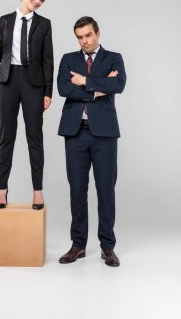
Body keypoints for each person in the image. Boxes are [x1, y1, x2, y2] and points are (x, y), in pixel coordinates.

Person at [57, 16, 126, 266]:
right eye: (80, 37)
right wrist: (100, 88)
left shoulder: (113, 58)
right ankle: (78, 245)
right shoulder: (68, 59)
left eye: (88, 35)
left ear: (98, 33)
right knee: (77, 190)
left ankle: (107, 246)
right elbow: (64, 89)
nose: (84, 41)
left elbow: (119, 84)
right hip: (75, 132)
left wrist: (85, 81)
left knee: (106, 190)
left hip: (104, 133)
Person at [0, 0, 54, 210]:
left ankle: (38, 192)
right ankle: (1, 191)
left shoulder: (44, 24)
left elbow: (47, 61)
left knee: (35, 137)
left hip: (34, 84)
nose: (37, 1)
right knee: (7, 137)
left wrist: (48, 92)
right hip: (8, 80)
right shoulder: (5, 20)